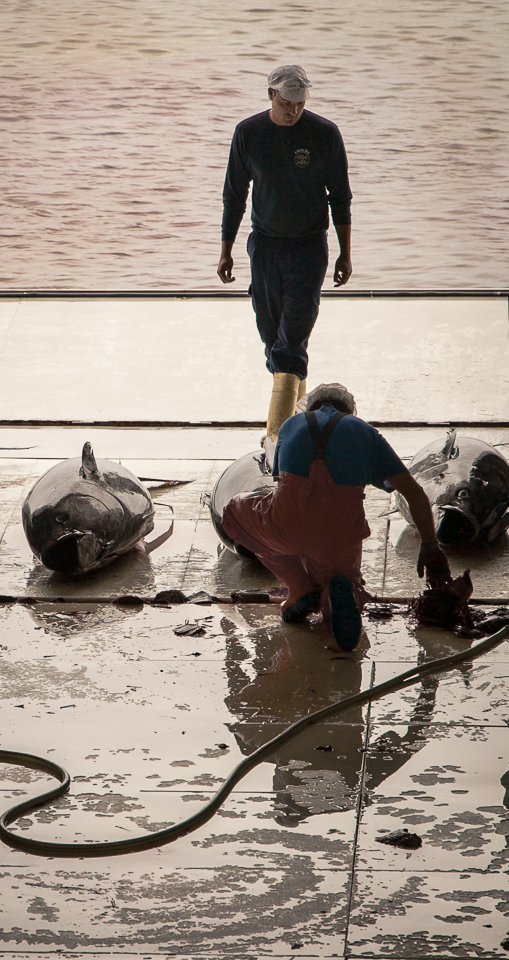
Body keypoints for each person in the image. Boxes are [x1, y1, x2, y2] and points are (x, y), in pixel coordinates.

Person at [221, 384, 452, 652]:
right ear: (350, 410)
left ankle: (298, 586)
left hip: (285, 524)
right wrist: (430, 546)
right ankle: (336, 595)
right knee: (341, 576)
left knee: (235, 512)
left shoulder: (290, 425)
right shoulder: (365, 433)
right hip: (339, 534)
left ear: (311, 406)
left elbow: (278, 481)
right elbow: (415, 494)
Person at [217, 65, 353, 445]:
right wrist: (226, 251)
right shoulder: (249, 133)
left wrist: (345, 253)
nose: (293, 110)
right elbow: (234, 196)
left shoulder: (324, 134)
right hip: (264, 246)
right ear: (271, 96)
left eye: (300, 103)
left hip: (309, 247)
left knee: (291, 341)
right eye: (286, 102)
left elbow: (340, 197)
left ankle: (277, 440)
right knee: (273, 339)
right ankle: (304, 418)